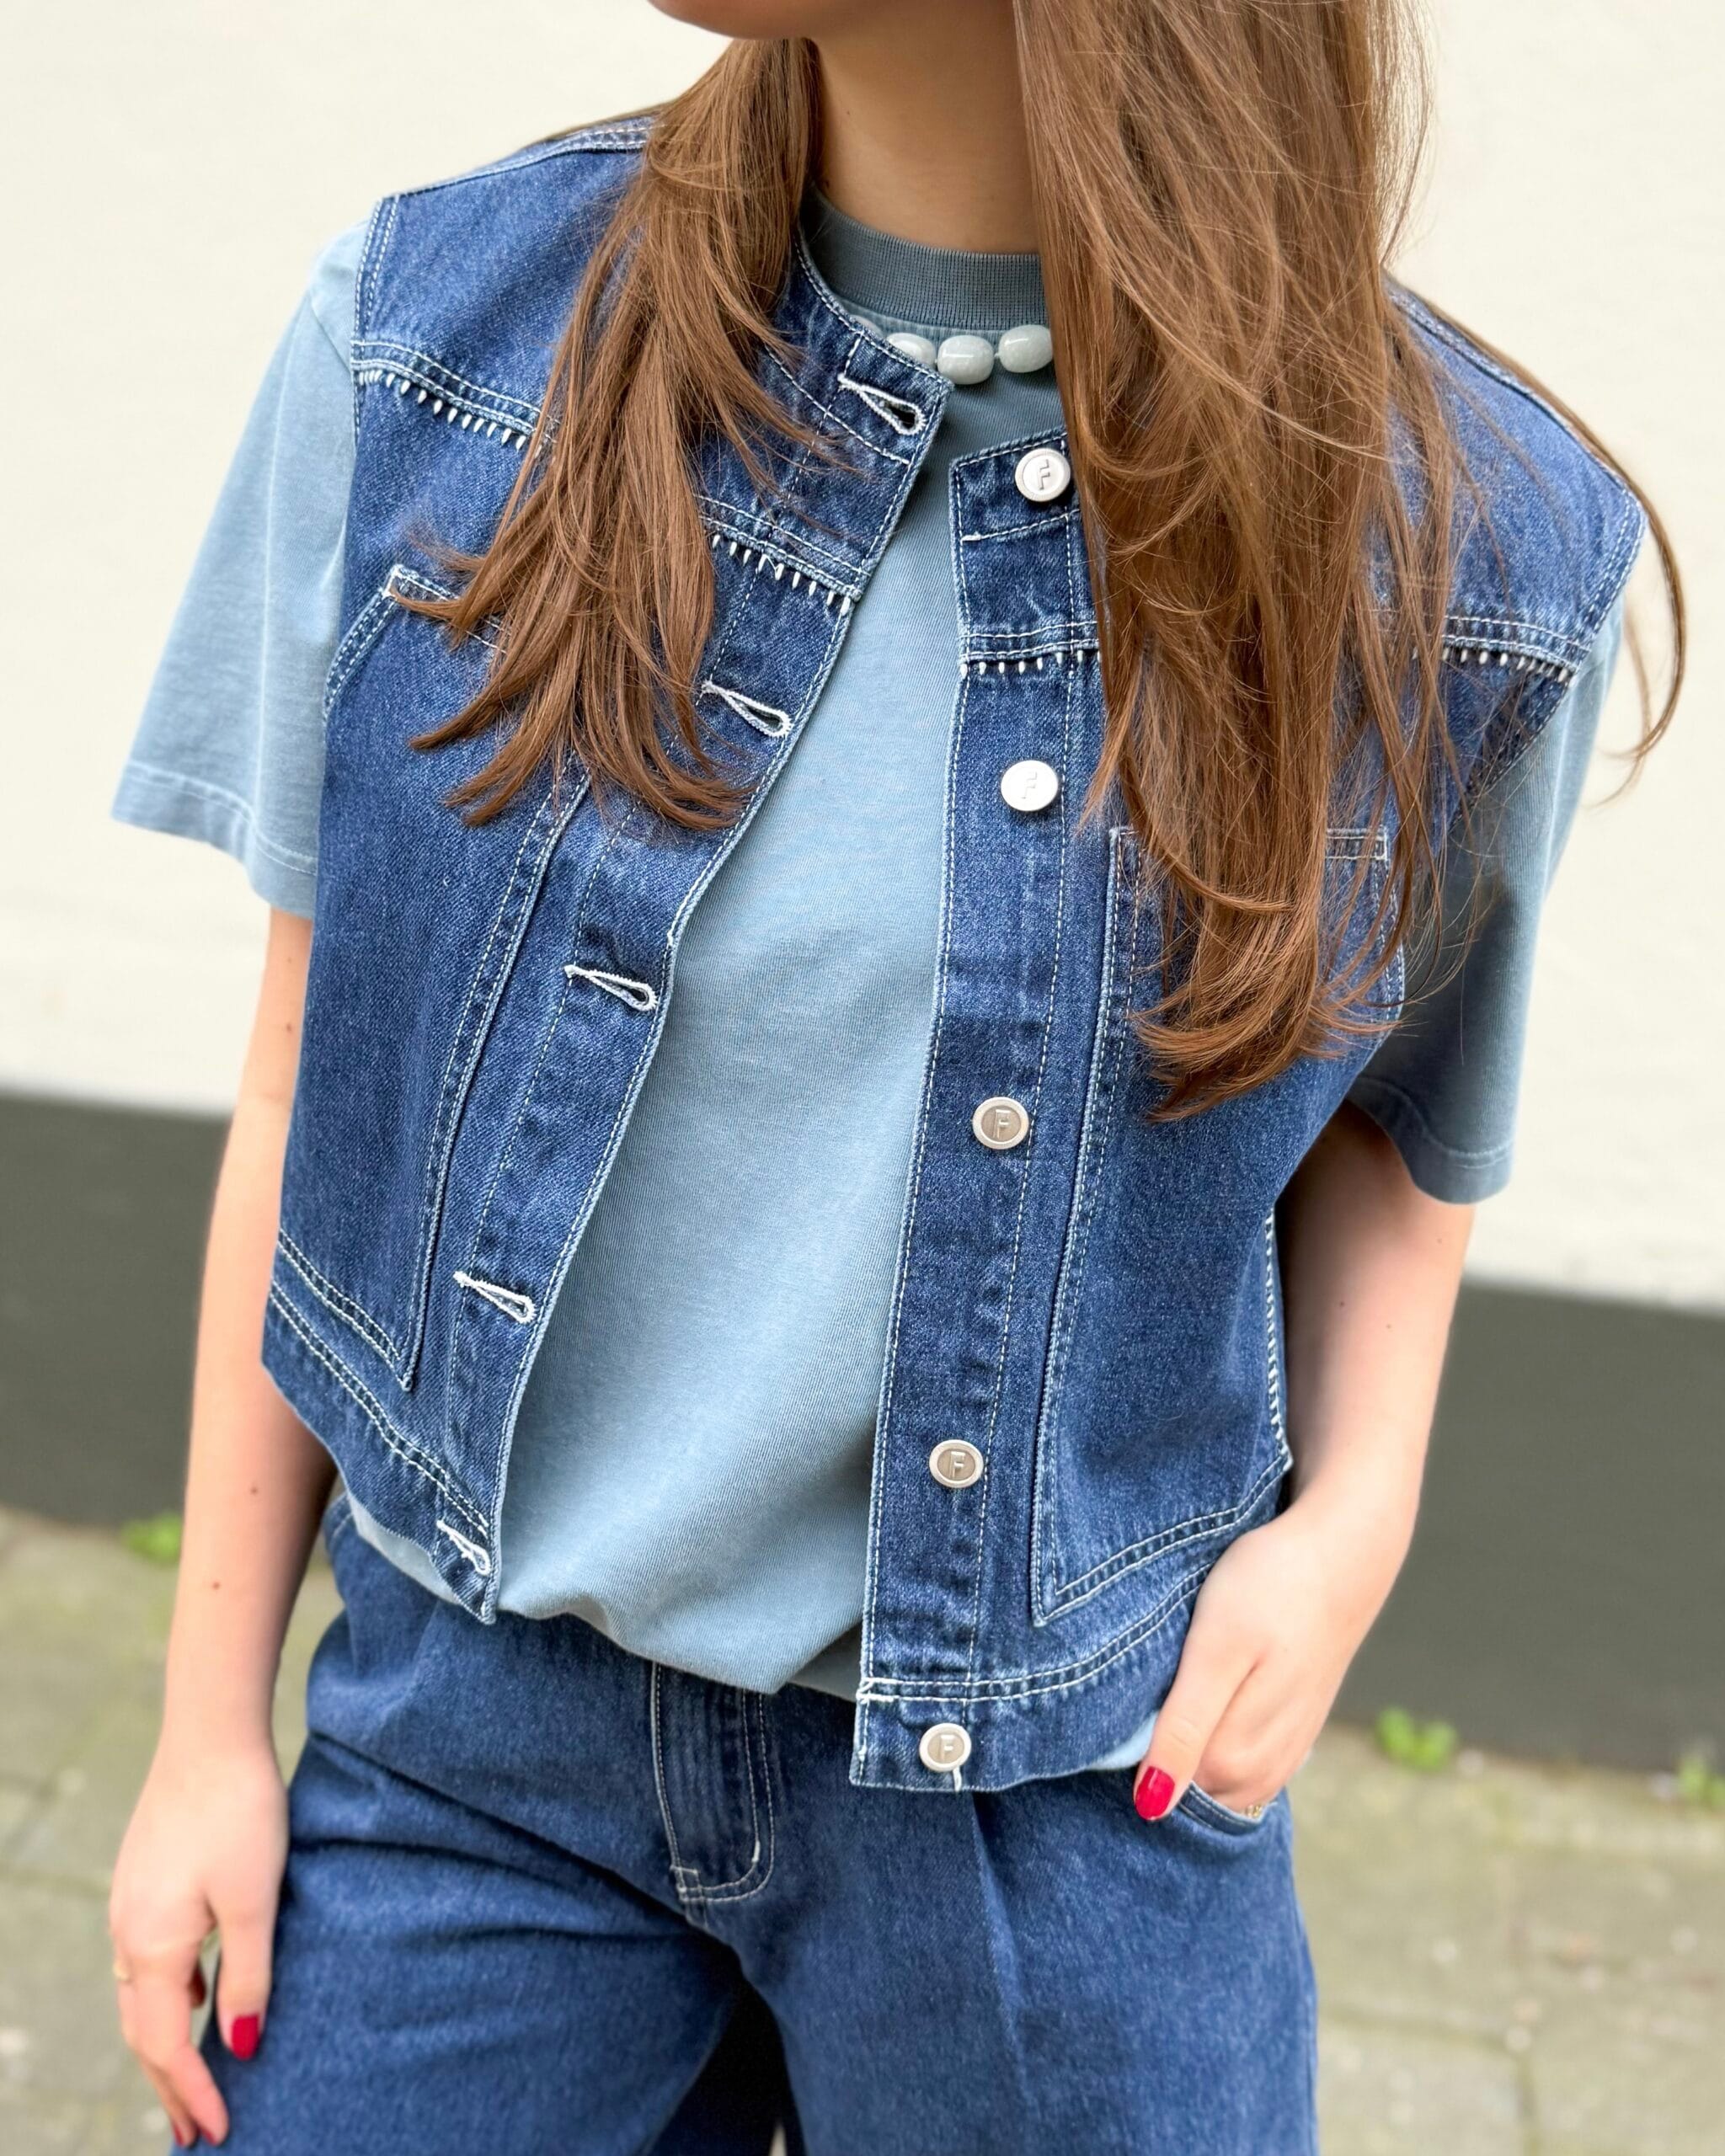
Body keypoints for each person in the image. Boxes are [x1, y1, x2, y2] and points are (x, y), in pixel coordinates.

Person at [104, 1, 1681, 2148]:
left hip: (1060, 1800)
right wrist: (205, 1731)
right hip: (476, 1753)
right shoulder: (442, 344)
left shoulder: (1457, 538)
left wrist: (1355, 1519)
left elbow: (1388, 1118)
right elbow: (314, 1078)